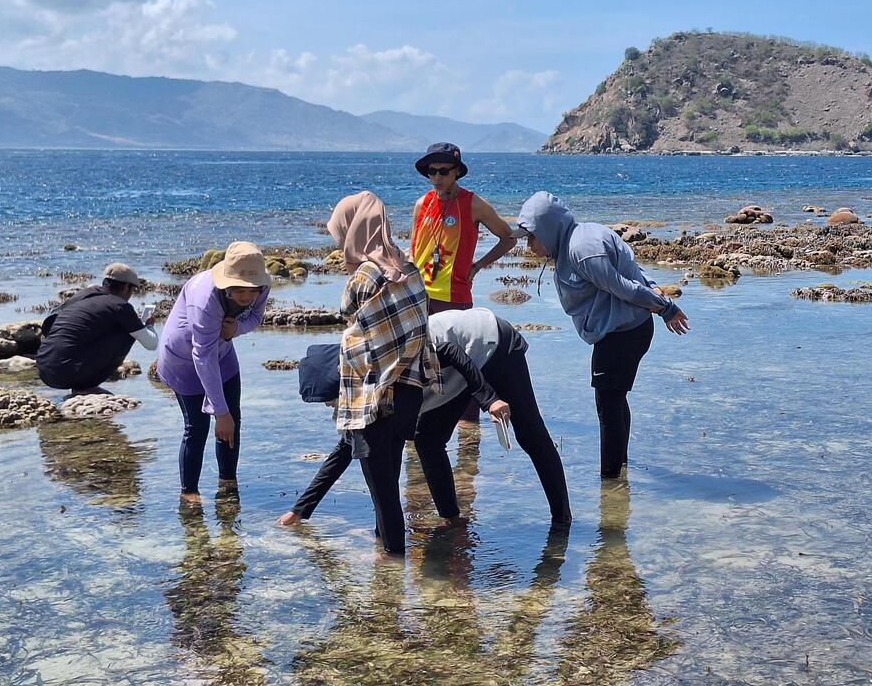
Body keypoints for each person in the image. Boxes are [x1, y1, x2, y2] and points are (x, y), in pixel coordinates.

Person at [278, 308, 572, 527]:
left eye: (332, 401)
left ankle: (562, 520)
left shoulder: (391, 359)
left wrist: (489, 399)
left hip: (492, 344)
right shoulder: (364, 386)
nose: (333, 408)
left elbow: (450, 351)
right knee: (427, 441)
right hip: (456, 371)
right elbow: (346, 447)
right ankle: (452, 520)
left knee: (531, 435)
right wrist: (300, 511)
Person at [282, 191, 441, 555]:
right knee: (388, 479)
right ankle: (384, 550)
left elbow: (353, 323)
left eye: (341, 234)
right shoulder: (411, 267)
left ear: (354, 230)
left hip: (374, 399)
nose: (339, 243)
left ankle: (391, 579)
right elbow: (406, 330)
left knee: (384, 493)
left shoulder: (364, 277)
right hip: (409, 394)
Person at [511, 191, 690, 479]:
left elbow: (624, 286)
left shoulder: (581, 249)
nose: (528, 245)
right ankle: (621, 468)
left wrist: (666, 307)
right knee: (615, 401)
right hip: (624, 329)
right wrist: (655, 288)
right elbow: (632, 270)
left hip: (623, 333)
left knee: (607, 408)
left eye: (531, 237)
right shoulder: (577, 237)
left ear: (547, 228)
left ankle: (609, 484)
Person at [409, 142, 516, 427]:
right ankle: (416, 429)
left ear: (457, 171)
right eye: (432, 172)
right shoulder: (422, 204)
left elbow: (508, 237)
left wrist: (479, 265)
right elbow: (414, 251)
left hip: (455, 298)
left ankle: (469, 445)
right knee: (417, 369)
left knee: (464, 370)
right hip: (419, 299)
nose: (437, 177)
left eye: (444, 171)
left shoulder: (473, 204)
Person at [157, 242, 271, 503]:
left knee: (233, 420)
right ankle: (189, 493)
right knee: (197, 427)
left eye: (250, 290)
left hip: (222, 349)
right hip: (184, 357)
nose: (245, 296)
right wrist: (219, 411)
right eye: (238, 290)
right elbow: (202, 355)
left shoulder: (262, 286)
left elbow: (255, 317)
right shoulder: (205, 299)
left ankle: (227, 483)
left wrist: (236, 330)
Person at [37, 263, 157, 395]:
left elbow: (49, 324)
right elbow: (151, 344)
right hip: (66, 373)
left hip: (44, 369)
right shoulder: (120, 306)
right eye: (132, 290)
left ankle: (80, 384)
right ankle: (85, 387)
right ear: (127, 287)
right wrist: (148, 325)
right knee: (126, 332)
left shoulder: (83, 295)